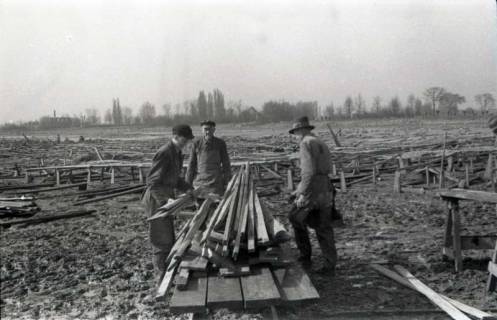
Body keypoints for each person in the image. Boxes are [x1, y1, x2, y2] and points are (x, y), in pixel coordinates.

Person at [142, 124, 194, 281]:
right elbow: (152, 182)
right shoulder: (165, 152)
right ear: (176, 137)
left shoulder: (177, 153)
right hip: (156, 200)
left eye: (188, 140)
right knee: (160, 239)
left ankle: (166, 273)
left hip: (166, 198)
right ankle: (160, 279)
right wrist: (165, 201)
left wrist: (188, 188)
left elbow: (174, 178)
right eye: (185, 139)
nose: (187, 143)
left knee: (168, 237)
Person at [288, 116, 337, 275]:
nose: (296, 135)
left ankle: (305, 255)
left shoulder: (305, 143)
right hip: (326, 187)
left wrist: (302, 194)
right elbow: (326, 167)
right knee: (324, 227)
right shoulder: (319, 141)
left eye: (296, 132)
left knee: (295, 217)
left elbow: (308, 172)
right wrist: (298, 190)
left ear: (302, 130)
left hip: (313, 190)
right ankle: (330, 264)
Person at [186, 120, 232, 197]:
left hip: (216, 183)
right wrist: (187, 184)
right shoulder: (196, 143)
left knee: (216, 204)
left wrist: (227, 182)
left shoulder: (220, 143)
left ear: (214, 130)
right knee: (200, 203)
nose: (207, 132)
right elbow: (191, 164)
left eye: (209, 129)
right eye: (205, 129)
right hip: (200, 182)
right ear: (202, 130)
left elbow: (226, 164)